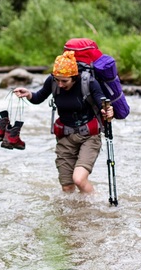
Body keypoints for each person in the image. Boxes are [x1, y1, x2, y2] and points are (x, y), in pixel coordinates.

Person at [14, 50, 114, 194]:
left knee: (79, 179)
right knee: (67, 187)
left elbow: (102, 104)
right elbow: (38, 97)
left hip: (89, 137)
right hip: (65, 138)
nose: (60, 84)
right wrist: (29, 94)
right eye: (57, 80)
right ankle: (74, 215)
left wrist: (108, 111)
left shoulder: (89, 82)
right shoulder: (52, 82)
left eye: (64, 81)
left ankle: (96, 210)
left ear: (75, 77)